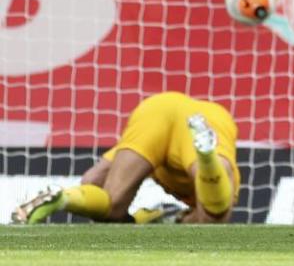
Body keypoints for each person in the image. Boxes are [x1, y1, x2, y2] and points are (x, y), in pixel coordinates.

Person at [12, 92, 240, 225]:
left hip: (157, 108)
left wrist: (135, 220)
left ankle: (62, 197)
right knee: (214, 215)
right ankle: (208, 158)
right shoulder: (205, 197)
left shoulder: (158, 150)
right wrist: (175, 223)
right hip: (208, 118)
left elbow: (92, 179)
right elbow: (203, 220)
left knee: (111, 204)